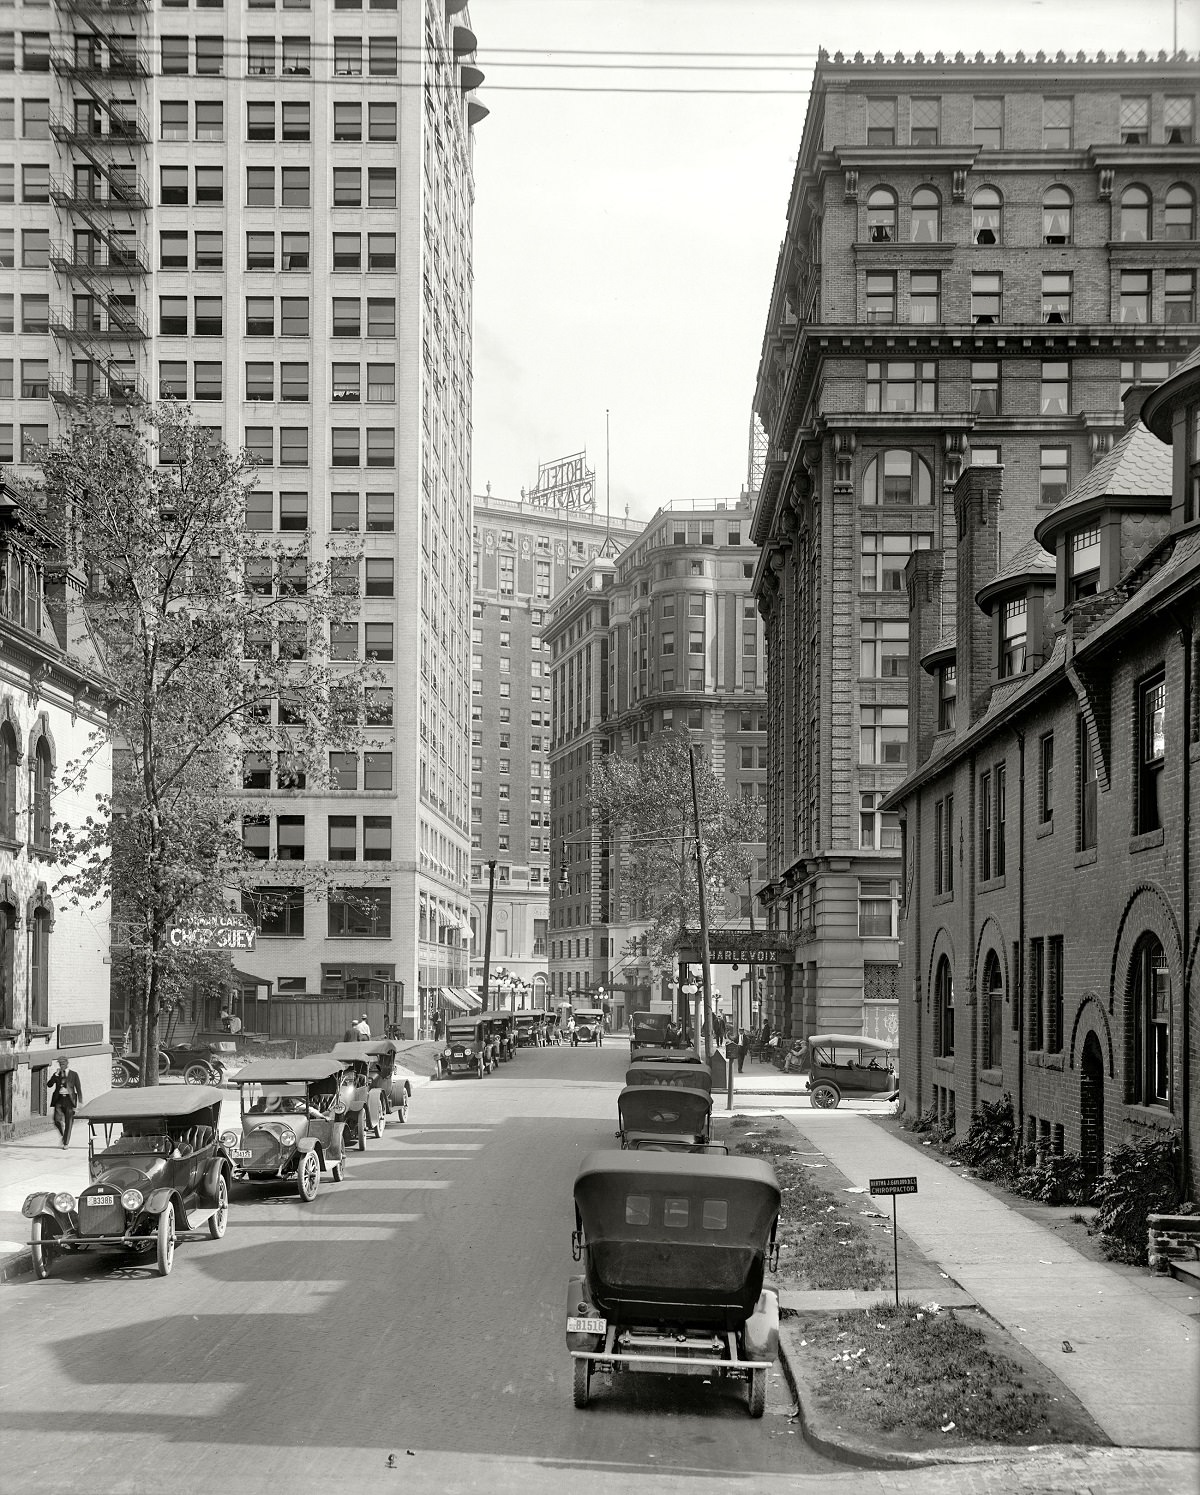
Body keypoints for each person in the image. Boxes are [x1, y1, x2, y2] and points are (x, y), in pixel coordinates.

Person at [48, 1058, 83, 1147]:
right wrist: (55, 1075)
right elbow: (49, 1084)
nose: (61, 1066)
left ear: (67, 1064)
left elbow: (78, 1088)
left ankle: (66, 1143)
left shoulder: (73, 1074)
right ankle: (63, 1135)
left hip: (69, 1100)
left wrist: (80, 1102)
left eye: (63, 1064)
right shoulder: (57, 1074)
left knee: (69, 1122)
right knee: (56, 1120)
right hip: (59, 1099)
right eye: (60, 1064)